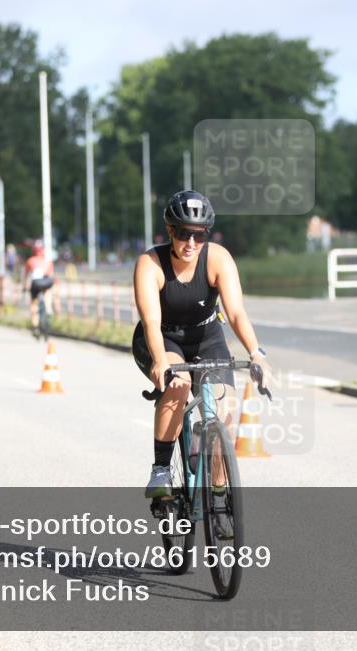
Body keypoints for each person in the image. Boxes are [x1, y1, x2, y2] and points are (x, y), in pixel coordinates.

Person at [132, 190, 272, 499]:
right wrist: (160, 360)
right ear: (170, 231)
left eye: (199, 235)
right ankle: (161, 469)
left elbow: (235, 312)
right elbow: (152, 322)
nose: (192, 243)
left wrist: (256, 353)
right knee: (178, 385)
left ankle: (219, 493)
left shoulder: (217, 258)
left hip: (206, 337)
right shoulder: (150, 264)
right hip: (162, 338)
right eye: (184, 234)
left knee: (224, 411)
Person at [22, 240, 54, 338]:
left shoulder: (30, 261)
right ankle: (48, 310)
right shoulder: (48, 262)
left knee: (34, 304)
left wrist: (25, 287)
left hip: (35, 284)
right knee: (48, 295)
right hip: (46, 283)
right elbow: (51, 276)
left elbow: (26, 276)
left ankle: (35, 326)